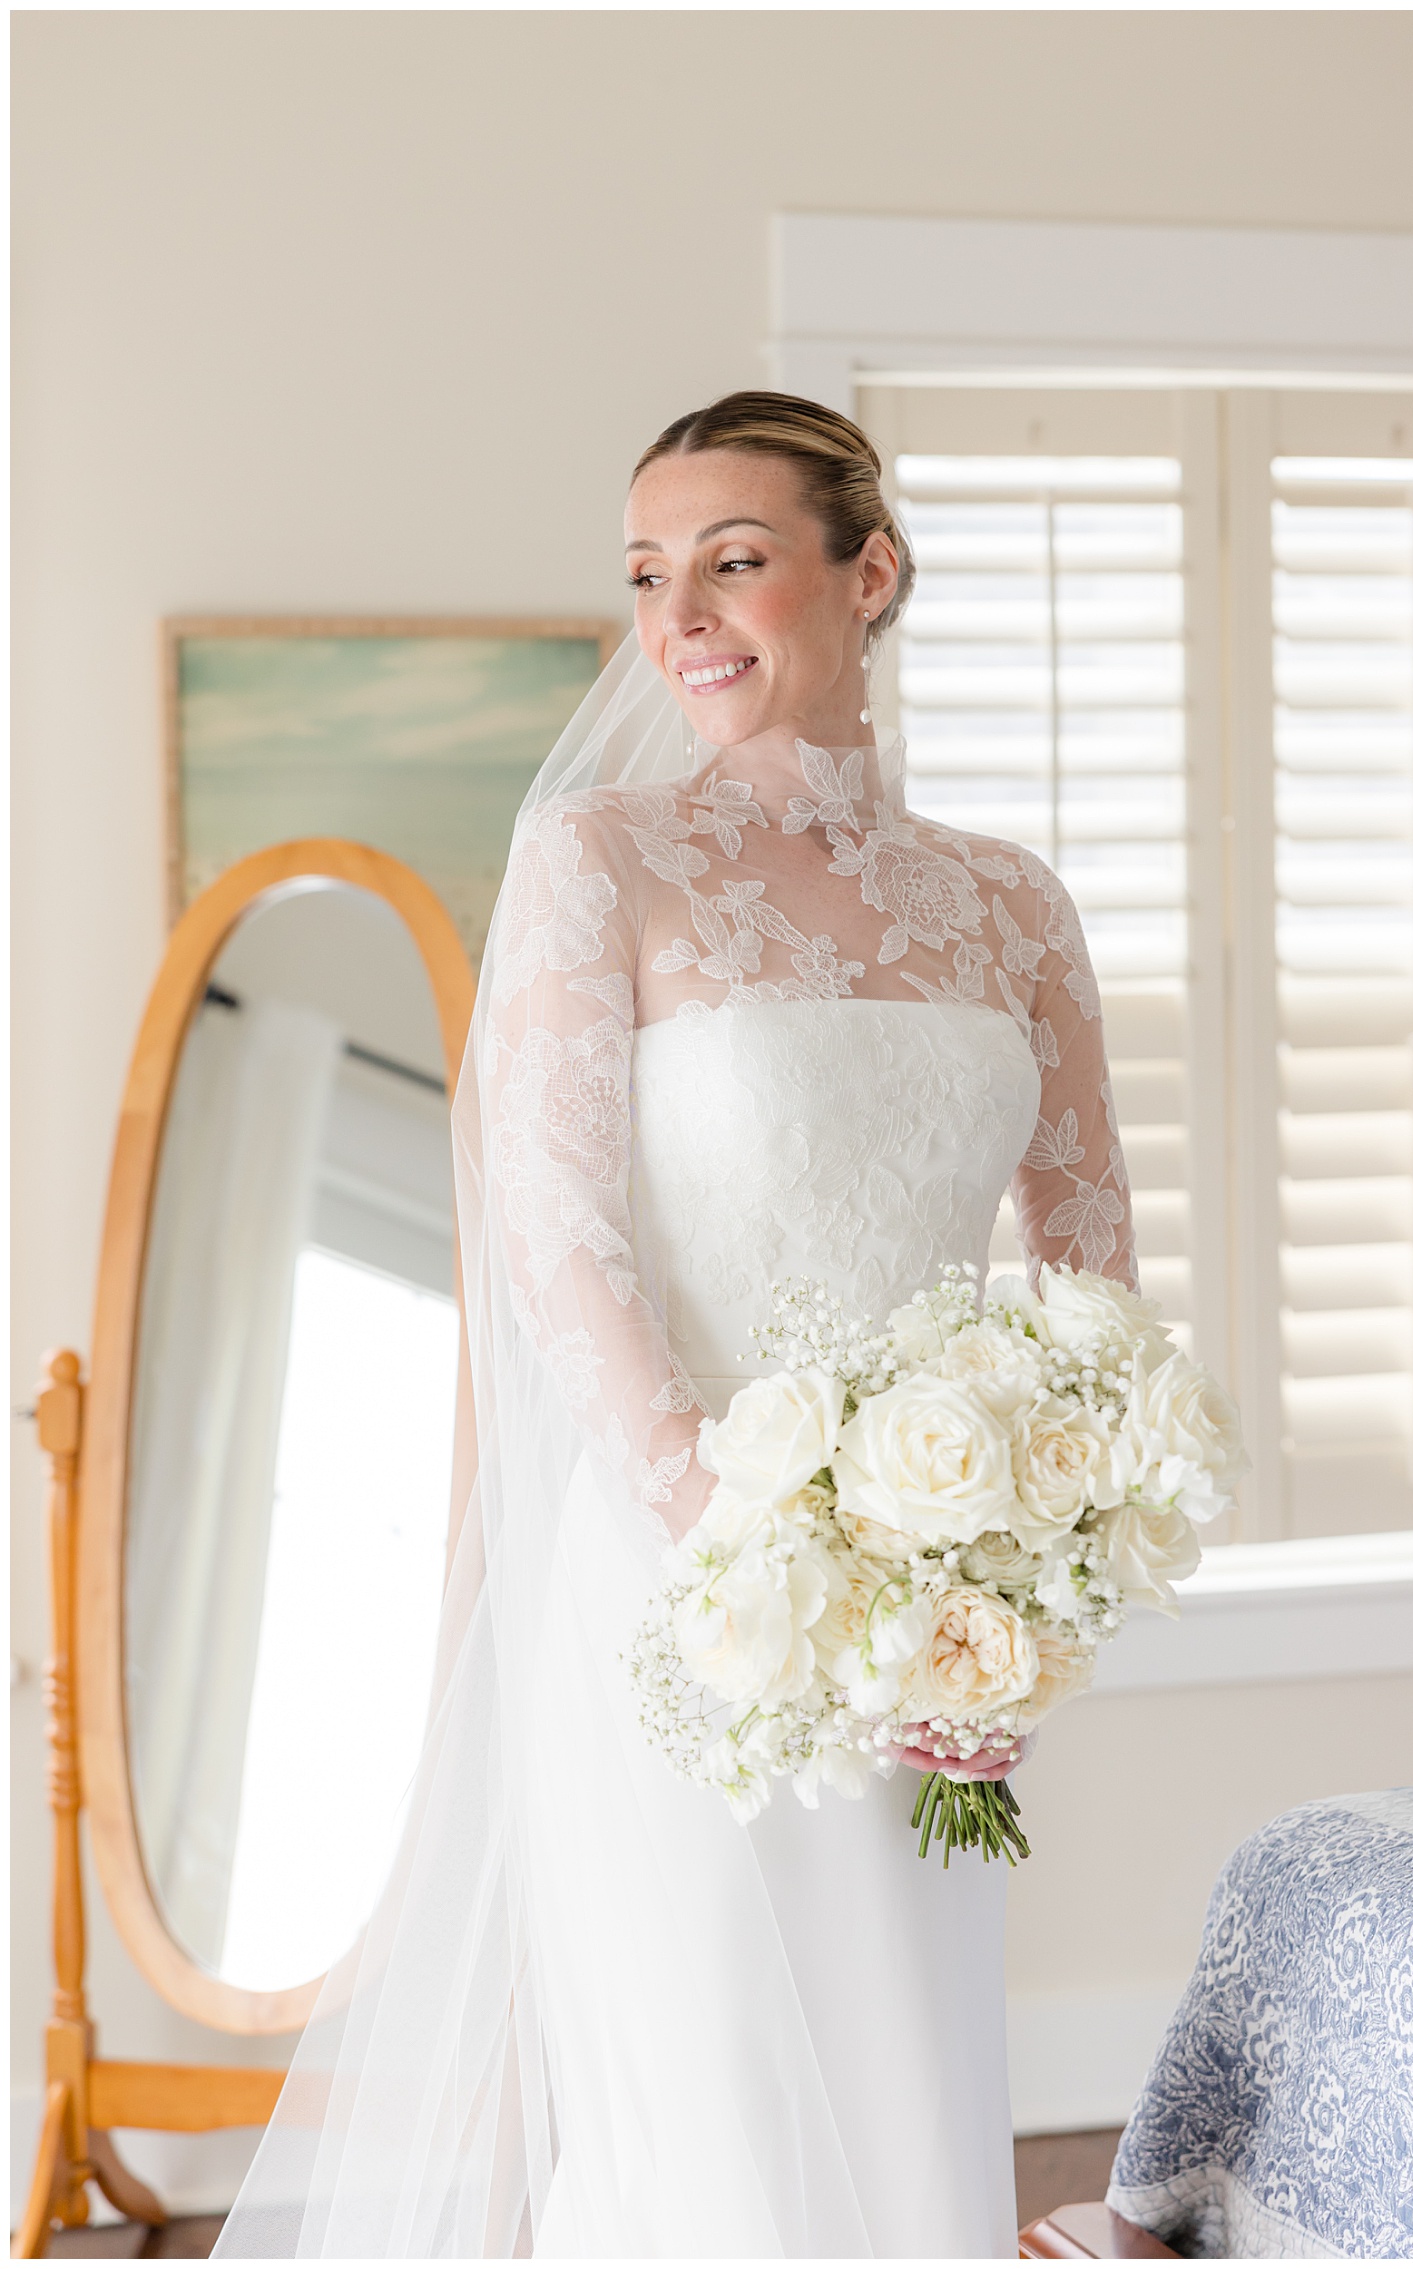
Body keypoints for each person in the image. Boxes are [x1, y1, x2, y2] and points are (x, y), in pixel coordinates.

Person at [214, 391, 1137, 2260]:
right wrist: (742, 1539)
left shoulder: (1012, 908)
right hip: (677, 1599)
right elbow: (557, 1249)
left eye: (735, 559)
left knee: (903, 2099)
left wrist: (1025, 1582)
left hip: (935, 1626)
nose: (683, 617)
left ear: (866, 573)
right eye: (649, 574)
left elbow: (1090, 1260)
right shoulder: (602, 861)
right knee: (709, 2115)